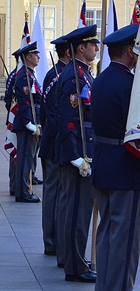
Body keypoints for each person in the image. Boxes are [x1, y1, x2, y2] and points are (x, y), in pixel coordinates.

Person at [92, 23, 140, 291]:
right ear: (131, 51)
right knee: (125, 240)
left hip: (103, 163)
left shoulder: (100, 80)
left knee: (107, 235)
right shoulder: (132, 86)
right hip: (126, 169)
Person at [55, 24, 98, 283]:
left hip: (84, 148)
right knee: (76, 213)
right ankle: (75, 266)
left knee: (79, 211)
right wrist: (76, 155)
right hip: (78, 152)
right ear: (80, 48)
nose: (96, 47)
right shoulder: (74, 77)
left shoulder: (83, 74)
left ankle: (76, 261)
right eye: (92, 44)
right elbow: (69, 119)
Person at [38, 36, 70, 258]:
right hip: (54, 143)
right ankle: (51, 240)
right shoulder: (56, 75)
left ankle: (56, 239)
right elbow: (52, 114)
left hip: (57, 142)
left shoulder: (62, 74)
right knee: (52, 193)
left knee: (58, 194)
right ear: (69, 52)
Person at [10, 42, 42, 203]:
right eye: (36, 55)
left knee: (27, 158)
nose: (39, 57)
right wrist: (29, 122)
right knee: (24, 159)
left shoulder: (30, 74)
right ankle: (22, 192)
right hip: (26, 124)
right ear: (28, 58)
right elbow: (24, 102)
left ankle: (23, 189)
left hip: (32, 121)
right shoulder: (24, 76)